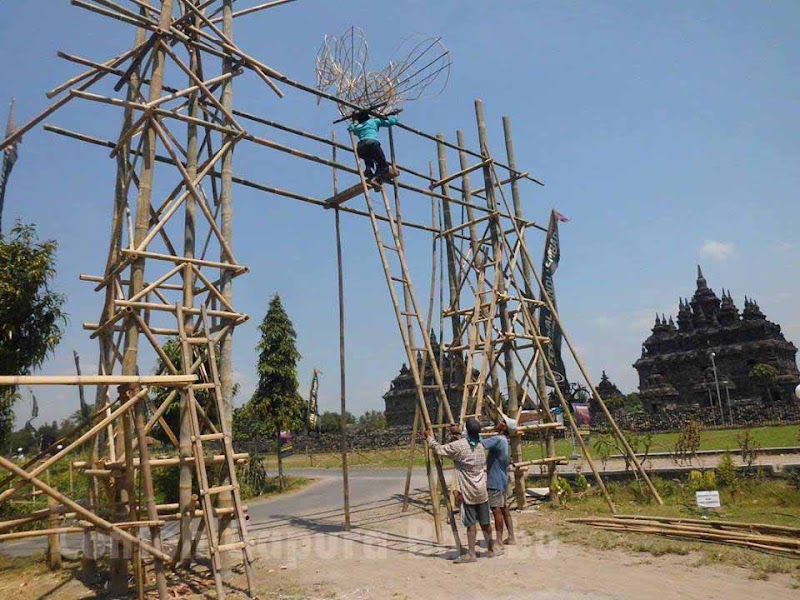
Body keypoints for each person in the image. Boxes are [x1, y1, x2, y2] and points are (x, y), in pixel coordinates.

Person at [424, 417, 496, 563]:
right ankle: (491, 549)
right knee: (485, 522)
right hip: (481, 489)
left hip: (468, 491)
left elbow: (439, 449)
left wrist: (429, 438)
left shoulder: (459, 446)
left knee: (471, 524)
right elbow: (470, 439)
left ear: (466, 431)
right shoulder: (481, 445)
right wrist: (458, 432)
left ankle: (471, 554)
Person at [481, 415, 517, 549]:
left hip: (494, 480)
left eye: (502, 422)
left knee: (496, 509)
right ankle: (511, 536)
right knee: (503, 508)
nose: (499, 422)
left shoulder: (498, 439)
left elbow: (481, 443)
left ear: (504, 427)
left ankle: (499, 541)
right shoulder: (504, 441)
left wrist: (469, 434)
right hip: (502, 479)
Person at [347, 110, 398, 188]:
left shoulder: (358, 127)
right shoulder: (374, 121)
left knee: (369, 158)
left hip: (360, 147)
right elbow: (390, 122)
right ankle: (375, 179)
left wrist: (354, 121)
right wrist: (395, 116)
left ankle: (369, 171)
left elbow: (351, 129)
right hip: (372, 144)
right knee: (383, 166)